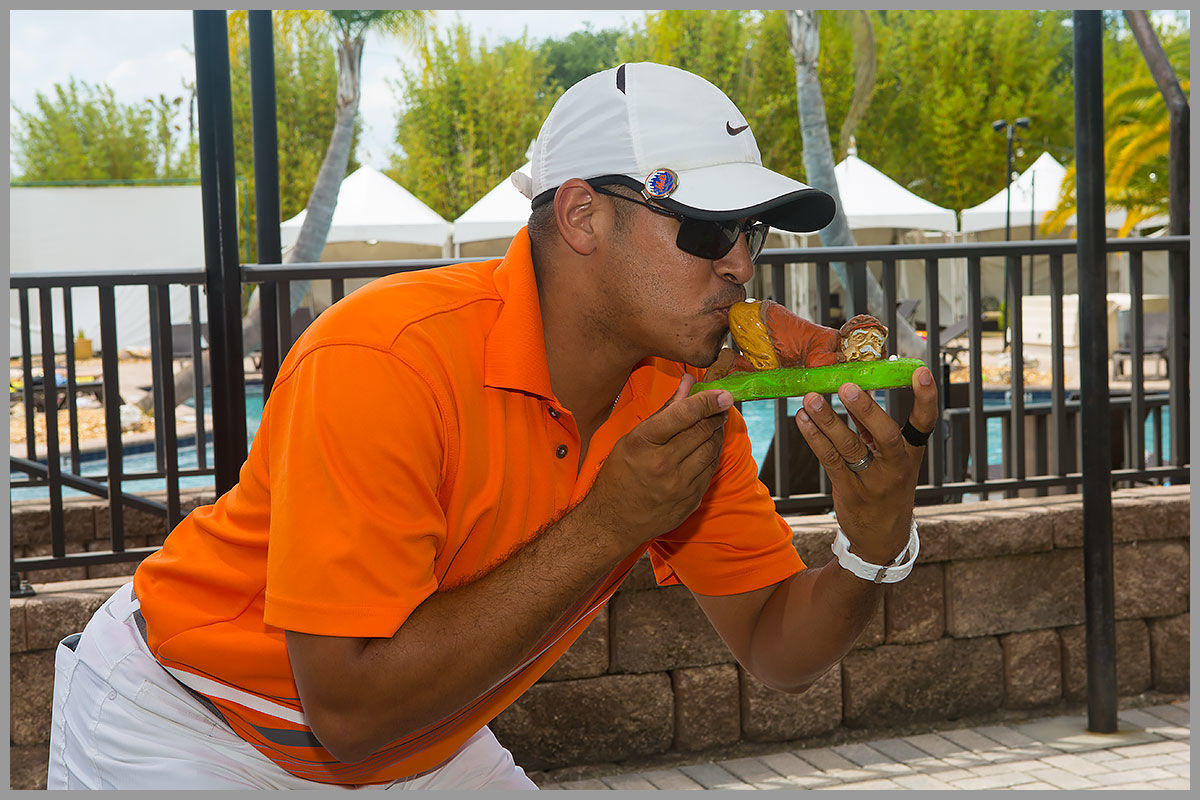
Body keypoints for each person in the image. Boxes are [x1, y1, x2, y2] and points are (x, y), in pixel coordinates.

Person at [47, 61, 937, 790]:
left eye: (753, 232)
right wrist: (612, 521)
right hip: (185, 721)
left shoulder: (680, 393)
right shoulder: (384, 357)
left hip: (418, 740)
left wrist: (871, 543)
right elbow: (348, 708)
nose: (741, 264)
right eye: (708, 230)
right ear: (583, 215)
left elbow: (778, 650)